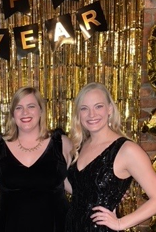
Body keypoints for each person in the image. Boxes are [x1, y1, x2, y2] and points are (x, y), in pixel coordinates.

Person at [65, 82, 156, 231]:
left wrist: (121, 223)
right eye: (84, 109)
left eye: (98, 106)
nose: (91, 114)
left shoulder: (126, 149)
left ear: (110, 109)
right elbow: (79, 190)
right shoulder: (79, 147)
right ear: (78, 114)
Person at [0, 86, 73, 232]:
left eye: (31, 106)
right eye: (19, 107)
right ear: (13, 114)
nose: (25, 112)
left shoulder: (62, 143)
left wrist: (110, 190)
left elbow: (78, 184)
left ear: (41, 110)